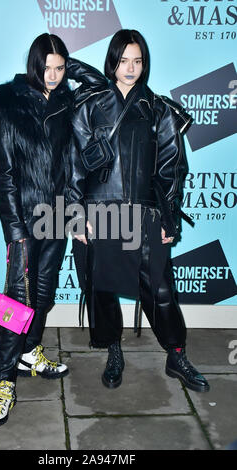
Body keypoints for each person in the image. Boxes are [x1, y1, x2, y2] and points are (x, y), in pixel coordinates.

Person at [68, 29, 210, 393]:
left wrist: (170, 217)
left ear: (144, 64)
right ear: (112, 62)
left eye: (138, 61)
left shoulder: (159, 109)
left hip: (145, 216)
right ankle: (114, 351)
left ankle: (176, 354)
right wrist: (75, 213)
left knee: (161, 289)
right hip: (99, 213)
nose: (130, 68)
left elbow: (171, 168)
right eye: (123, 60)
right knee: (102, 288)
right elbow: (73, 166)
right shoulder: (88, 106)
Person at [0, 33, 107, 427]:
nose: (52, 76)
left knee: (45, 292)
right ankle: (3, 381)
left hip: (56, 216)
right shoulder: (6, 105)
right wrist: (15, 231)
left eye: (59, 68)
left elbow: (101, 87)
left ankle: (30, 352)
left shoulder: (68, 101)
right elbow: (3, 176)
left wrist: (72, 68)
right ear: (33, 65)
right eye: (46, 68)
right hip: (23, 221)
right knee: (15, 302)